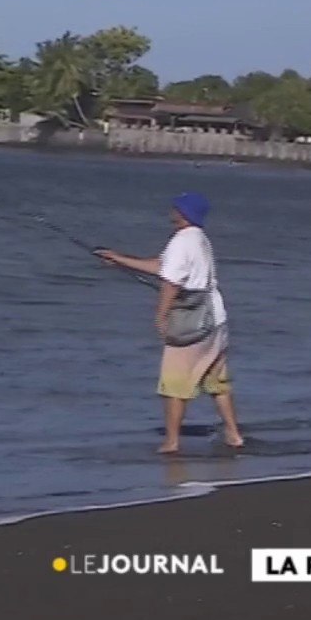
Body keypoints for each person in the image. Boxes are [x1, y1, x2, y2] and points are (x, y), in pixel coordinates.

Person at [95, 192, 244, 454]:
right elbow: (161, 267)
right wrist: (119, 259)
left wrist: (161, 316)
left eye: (176, 207)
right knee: (216, 381)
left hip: (193, 322)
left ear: (184, 213)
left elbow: (170, 283)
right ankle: (233, 434)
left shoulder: (181, 242)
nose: (172, 211)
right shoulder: (198, 239)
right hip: (215, 319)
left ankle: (171, 442)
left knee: (174, 384)